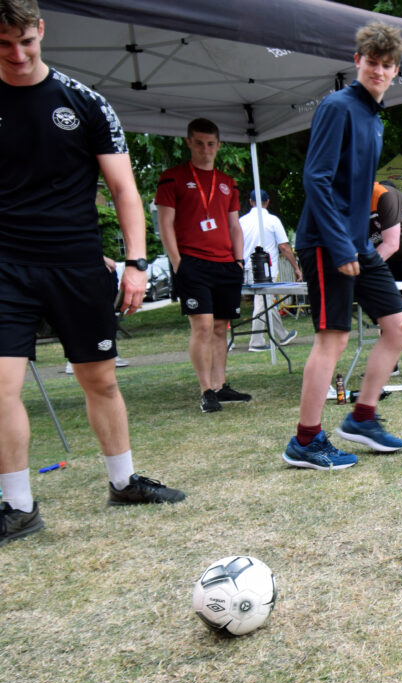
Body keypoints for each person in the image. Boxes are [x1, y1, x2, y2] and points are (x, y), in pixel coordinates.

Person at [1, 0, 185, 546]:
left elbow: (125, 191)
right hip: (6, 267)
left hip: (76, 262)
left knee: (98, 379)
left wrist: (134, 263)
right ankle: (17, 506)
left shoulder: (83, 102)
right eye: (3, 44)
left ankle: (123, 481)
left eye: (26, 42)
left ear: (41, 31)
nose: (16, 54)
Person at [281, 21, 402, 470]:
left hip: (357, 243)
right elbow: (315, 178)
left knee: (398, 326)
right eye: (372, 62)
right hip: (326, 242)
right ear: (358, 62)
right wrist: (340, 247)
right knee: (332, 340)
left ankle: (362, 418)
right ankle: (306, 441)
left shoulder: (373, 117)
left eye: (387, 65)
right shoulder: (338, 106)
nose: (378, 70)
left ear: (396, 70)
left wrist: (357, 243)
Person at [156, 117, 250, 413]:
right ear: (188, 143)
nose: (205, 149)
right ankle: (205, 389)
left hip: (225, 263)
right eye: (199, 143)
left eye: (210, 144)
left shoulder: (227, 183)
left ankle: (221, 386)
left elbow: (235, 226)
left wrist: (238, 261)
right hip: (192, 262)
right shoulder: (172, 178)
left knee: (221, 327)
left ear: (219, 146)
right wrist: (177, 262)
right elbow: (165, 224)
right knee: (203, 326)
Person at [239, 189, 300, 352]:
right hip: (265, 268)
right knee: (262, 303)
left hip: (246, 268)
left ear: (251, 202)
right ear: (268, 202)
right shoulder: (273, 221)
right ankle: (256, 341)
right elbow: (284, 247)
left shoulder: (242, 221)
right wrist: (296, 268)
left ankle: (282, 334)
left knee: (267, 302)